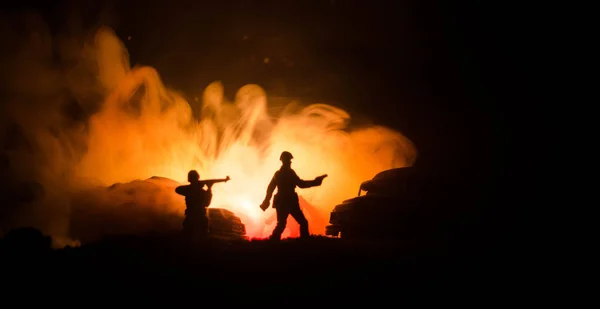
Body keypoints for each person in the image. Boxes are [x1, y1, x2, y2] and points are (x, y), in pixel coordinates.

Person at [260, 151, 327, 240]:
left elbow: (270, 188)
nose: (290, 162)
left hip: (281, 202)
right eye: (289, 160)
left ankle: (273, 242)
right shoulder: (290, 173)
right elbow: (301, 184)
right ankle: (304, 242)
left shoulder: (277, 174)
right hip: (290, 201)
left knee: (281, 224)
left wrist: (266, 201)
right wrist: (316, 182)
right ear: (285, 161)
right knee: (302, 222)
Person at [175, 170, 230, 240]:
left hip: (193, 218)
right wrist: (208, 189)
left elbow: (207, 203)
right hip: (196, 218)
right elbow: (207, 203)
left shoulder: (190, 190)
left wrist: (207, 189)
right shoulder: (193, 190)